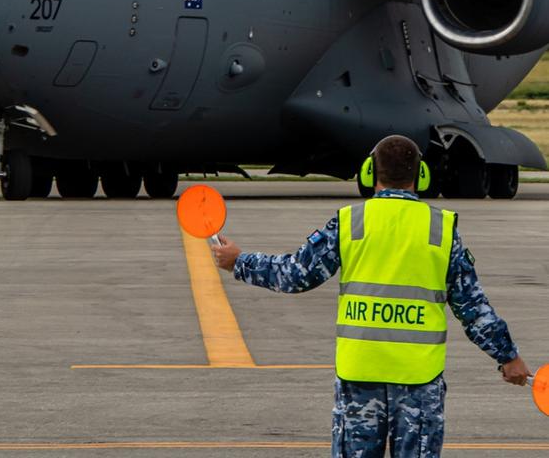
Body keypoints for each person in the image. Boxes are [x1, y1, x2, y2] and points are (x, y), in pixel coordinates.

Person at [212, 134, 531, 458]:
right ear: (421, 174)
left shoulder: (349, 222)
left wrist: (239, 261)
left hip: (359, 376)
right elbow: (473, 308)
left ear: (369, 172)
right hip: (418, 380)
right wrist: (507, 356)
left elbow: (295, 275)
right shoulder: (441, 228)